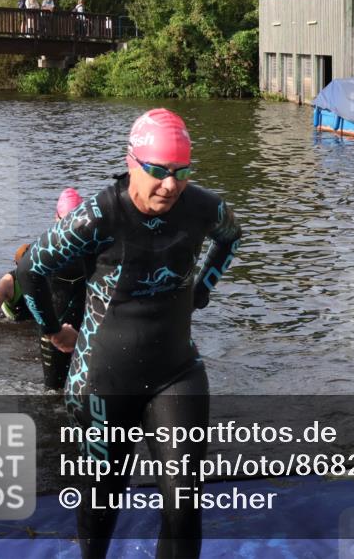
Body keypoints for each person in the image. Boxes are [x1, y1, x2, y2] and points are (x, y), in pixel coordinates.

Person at [17, 109, 241, 558]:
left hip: (176, 371)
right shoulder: (98, 216)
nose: (170, 185)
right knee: (102, 502)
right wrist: (53, 329)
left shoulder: (202, 207)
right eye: (158, 171)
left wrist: (201, 290)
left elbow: (230, 236)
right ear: (133, 162)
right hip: (104, 380)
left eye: (181, 172)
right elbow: (28, 269)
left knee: (184, 503)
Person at [0, 189, 88, 390]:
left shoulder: (43, 250)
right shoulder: (46, 251)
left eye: (72, 221)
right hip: (62, 332)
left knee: (65, 392)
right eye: (66, 220)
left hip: (68, 331)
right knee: (59, 391)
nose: (68, 227)